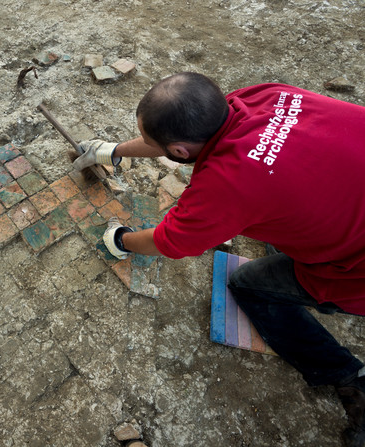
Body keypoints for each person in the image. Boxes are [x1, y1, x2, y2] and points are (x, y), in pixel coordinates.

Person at [73, 72, 365, 446]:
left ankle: (343, 375)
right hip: (345, 193)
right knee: (287, 214)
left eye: (151, 142)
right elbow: (180, 143)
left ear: (178, 151)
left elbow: (171, 242)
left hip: (356, 270)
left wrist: (122, 240)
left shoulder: (226, 184)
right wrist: (112, 150)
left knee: (248, 285)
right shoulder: (264, 96)